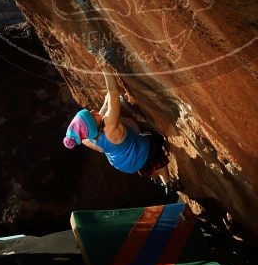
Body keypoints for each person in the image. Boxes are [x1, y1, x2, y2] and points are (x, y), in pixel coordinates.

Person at [62, 49, 182, 194]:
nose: (93, 111)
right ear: (93, 125)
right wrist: (104, 65)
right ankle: (168, 183)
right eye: (91, 114)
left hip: (126, 166)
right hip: (138, 154)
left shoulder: (88, 139)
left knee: (140, 155)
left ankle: (153, 176)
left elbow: (101, 114)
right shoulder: (110, 126)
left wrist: (106, 103)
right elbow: (113, 94)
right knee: (154, 143)